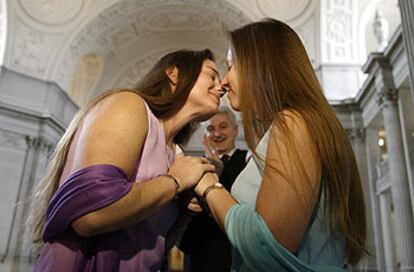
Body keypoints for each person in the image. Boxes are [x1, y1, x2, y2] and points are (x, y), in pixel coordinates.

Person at [193, 19, 367, 271]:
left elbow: (268, 242)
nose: (225, 81)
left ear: (261, 66)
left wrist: (208, 187)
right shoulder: (294, 124)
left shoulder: (294, 121)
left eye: (232, 66)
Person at [28, 49, 225, 272]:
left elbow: (155, 245)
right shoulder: (128, 105)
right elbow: (88, 216)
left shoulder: (176, 154)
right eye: (212, 76)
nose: (222, 87)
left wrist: (186, 212)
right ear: (174, 74)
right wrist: (175, 181)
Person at [179, 106, 249, 271]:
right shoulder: (193, 166)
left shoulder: (248, 162)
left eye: (223, 127)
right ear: (204, 136)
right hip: (200, 254)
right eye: (210, 129)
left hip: (233, 254)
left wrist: (220, 173)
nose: (217, 134)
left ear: (235, 130)